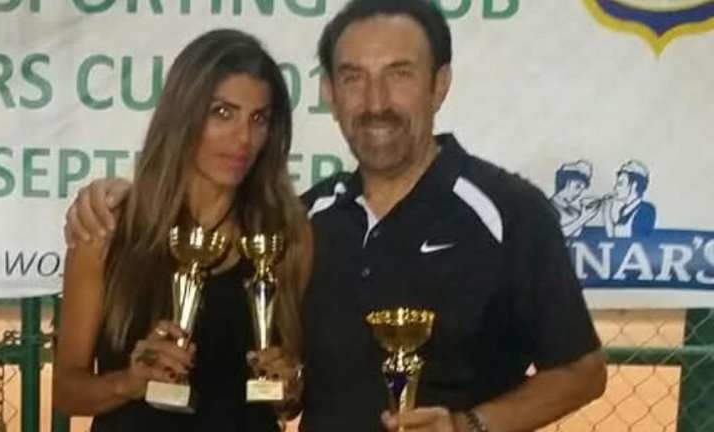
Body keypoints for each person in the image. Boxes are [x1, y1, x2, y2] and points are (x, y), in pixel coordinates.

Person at [65, 1, 607, 431]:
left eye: (398, 74)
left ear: (439, 84)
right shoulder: (308, 220)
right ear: (329, 91)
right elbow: (292, 389)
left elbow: (583, 372)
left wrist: (469, 426)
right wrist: (285, 383)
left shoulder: (510, 211)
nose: (375, 101)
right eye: (353, 77)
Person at [53, 29, 311, 432]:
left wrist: (288, 385)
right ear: (183, 114)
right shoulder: (108, 229)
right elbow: (67, 390)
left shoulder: (287, 237)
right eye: (222, 113)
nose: (243, 138)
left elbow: (286, 403)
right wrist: (129, 382)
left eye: (258, 119)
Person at [603, 159, 656, 238]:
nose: (615, 188)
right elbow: (613, 239)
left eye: (620, 184)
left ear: (634, 185)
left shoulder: (646, 210)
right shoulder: (624, 210)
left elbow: (638, 241)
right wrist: (606, 210)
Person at [549, 160, 600, 237]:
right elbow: (553, 235)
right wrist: (583, 218)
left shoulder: (575, 211)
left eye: (582, 189)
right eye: (577, 186)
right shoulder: (548, 208)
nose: (579, 193)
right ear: (567, 182)